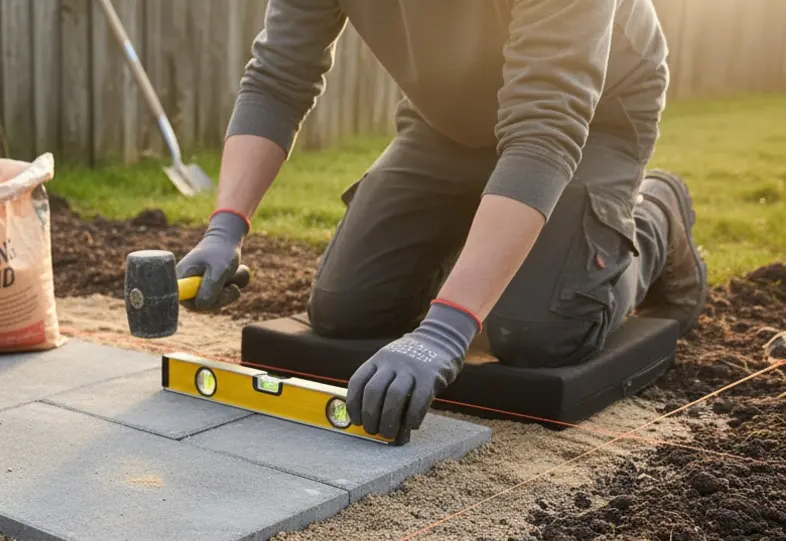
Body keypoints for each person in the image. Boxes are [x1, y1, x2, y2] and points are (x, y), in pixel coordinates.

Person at [177, 0, 707, 440]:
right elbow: (277, 78)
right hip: (448, 119)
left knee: (538, 332)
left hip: (594, 115)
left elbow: (544, 130)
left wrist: (448, 328)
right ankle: (502, 238)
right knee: (346, 311)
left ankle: (658, 213)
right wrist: (225, 227)